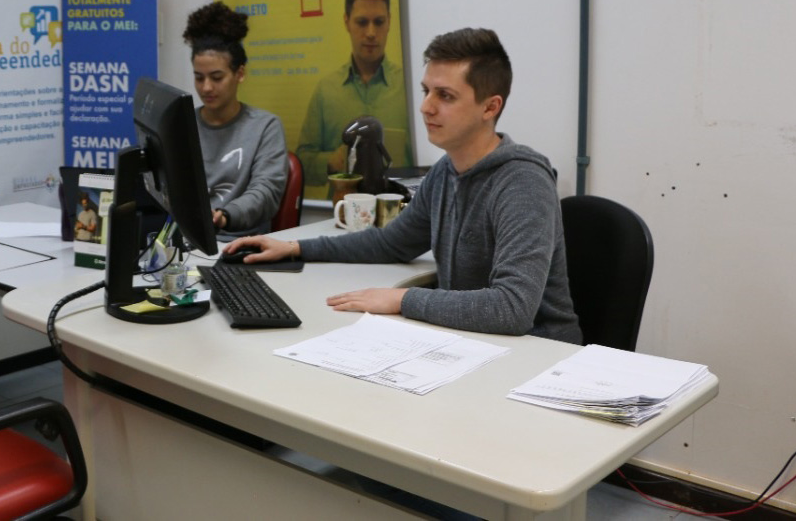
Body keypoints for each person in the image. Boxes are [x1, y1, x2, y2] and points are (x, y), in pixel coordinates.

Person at [226, 27, 582, 342]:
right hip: (476, 343)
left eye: (445, 96)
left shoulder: (523, 182)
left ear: (490, 107)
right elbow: (391, 243)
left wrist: (401, 299)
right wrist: (294, 248)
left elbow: (511, 309)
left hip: (540, 356)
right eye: (426, 91)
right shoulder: (445, 172)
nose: (426, 107)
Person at [296, 0, 412, 191]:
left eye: (379, 22)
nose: (371, 33)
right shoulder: (326, 91)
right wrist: (331, 162)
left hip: (400, 207)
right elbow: (301, 162)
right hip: (342, 207)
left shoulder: (411, 90)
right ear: (346, 21)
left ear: (389, 21)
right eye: (362, 22)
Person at [183, 1, 288, 238]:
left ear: (239, 73)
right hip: (187, 243)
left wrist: (225, 216)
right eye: (199, 77)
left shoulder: (265, 127)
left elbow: (266, 192)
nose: (206, 87)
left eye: (216, 77)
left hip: (240, 242)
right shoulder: (183, 125)